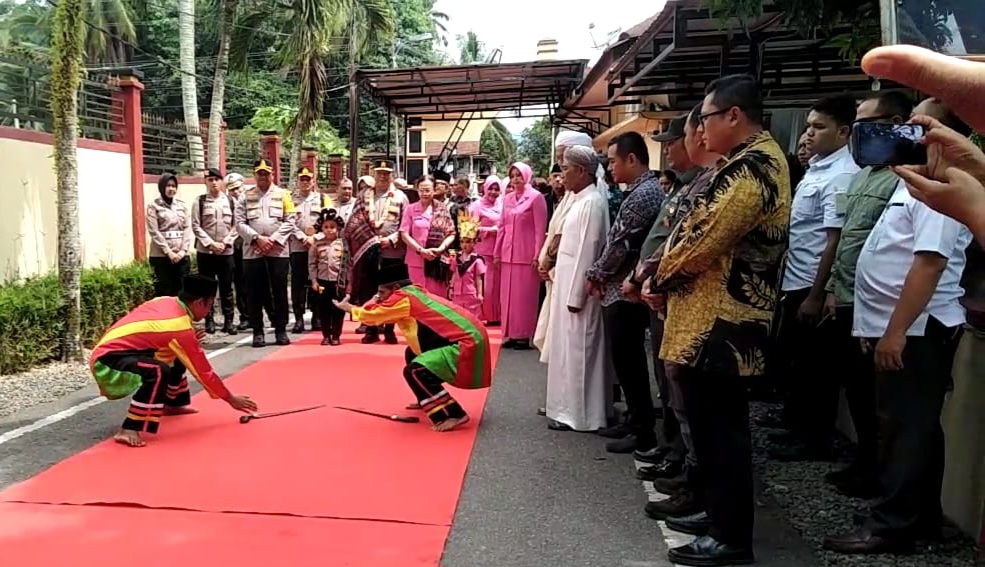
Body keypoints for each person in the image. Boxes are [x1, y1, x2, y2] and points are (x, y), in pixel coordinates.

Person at [652, 74, 790, 566]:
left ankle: (730, 536)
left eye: (707, 118)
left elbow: (701, 239)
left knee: (721, 434)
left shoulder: (752, 168)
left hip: (722, 328)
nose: (702, 130)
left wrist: (657, 275)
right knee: (712, 432)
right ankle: (717, 517)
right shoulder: (744, 163)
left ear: (734, 115)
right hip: (710, 323)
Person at [89, 274, 258, 448]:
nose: (209, 311)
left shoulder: (167, 301)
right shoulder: (180, 327)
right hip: (108, 359)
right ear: (200, 302)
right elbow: (203, 371)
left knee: (178, 355)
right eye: (210, 305)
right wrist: (230, 399)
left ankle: (172, 404)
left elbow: (156, 329)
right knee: (158, 371)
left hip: (126, 350)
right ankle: (129, 427)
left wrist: (188, 338)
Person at [334, 262, 492, 432]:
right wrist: (374, 300)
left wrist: (349, 308)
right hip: (470, 335)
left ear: (395, 288)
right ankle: (427, 397)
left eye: (381, 292)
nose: (379, 296)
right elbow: (378, 313)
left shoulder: (402, 299)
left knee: (414, 370)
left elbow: (373, 316)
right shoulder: (412, 292)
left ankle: (452, 413)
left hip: (467, 342)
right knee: (412, 353)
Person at [544, 146, 611, 432]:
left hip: (578, 293)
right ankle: (568, 410)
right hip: (568, 284)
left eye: (567, 169)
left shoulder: (592, 203)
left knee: (580, 354)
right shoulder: (579, 199)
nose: (562, 175)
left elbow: (587, 252)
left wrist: (576, 296)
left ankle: (581, 416)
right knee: (569, 354)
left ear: (582, 171)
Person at [235, 158, 298, 348]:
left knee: (279, 291)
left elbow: (291, 219)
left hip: (277, 251)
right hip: (253, 251)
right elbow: (239, 223)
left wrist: (273, 239)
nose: (263, 176)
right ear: (255, 175)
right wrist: (257, 238)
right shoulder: (244, 197)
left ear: (272, 174)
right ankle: (258, 331)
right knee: (254, 292)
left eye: (266, 173)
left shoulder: (284, 195)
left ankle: (280, 330)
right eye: (259, 173)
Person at [494, 162, 548, 350]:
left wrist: (537, 254)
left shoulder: (536, 198)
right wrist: (497, 252)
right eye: (513, 175)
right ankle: (509, 332)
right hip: (508, 254)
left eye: (519, 175)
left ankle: (524, 335)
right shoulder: (507, 198)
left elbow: (540, 229)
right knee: (507, 296)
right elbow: (501, 226)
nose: (516, 179)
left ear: (526, 176)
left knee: (524, 297)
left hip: (526, 256)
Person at [192, 167, 238, 335]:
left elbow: (236, 225)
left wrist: (225, 243)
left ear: (222, 182)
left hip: (226, 252)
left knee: (227, 288)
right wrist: (210, 243)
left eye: (216, 179)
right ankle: (209, 320)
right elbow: (196, 226)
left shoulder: (231, 201)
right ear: (206, 182)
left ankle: (229, 321)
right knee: (207, 288)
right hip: (206, 252)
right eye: (210, 180)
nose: (214, 183)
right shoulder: (200, 201)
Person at [289, 166, 331, 333]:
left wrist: (314, 238)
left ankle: (317, 316)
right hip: (297, 247)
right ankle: (298, 318)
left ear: (313, 181)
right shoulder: (290, 199)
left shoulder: (322, 199)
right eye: (302, 179)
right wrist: (301, 237)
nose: (305, 182)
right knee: (298, 284)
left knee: (317, 282)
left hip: (317, 247)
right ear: (298, 181)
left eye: (308, 179)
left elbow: (330, 221)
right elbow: (288, 222)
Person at [399, 175, 456, 296]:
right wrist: (421, 250)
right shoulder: (410, 209)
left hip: (437, 261)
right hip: (416, 260)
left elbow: (451, 233)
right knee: (417, 298)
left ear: (434, 190)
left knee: (436, 301)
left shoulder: (442, 209)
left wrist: (440, 249)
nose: (424, 193)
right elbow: (404, 234)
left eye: (428, 190)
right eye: (421, 190)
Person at [146, 172, 192, 297]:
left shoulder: (182, 205)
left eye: (173, 186)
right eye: (168, 186)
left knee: (182, 291)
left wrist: (183, 251)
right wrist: (169, 252)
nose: (171, 189)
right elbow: (154, 231)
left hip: (181, 255)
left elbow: (187, 228)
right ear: (161, 187)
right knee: (164, 292)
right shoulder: (153, 207)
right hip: (161, 256)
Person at [309, 208, 349, 346]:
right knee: (324, 309)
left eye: (332, 227)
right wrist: (313, 280)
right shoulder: (317, 245)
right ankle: (326, 335)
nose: (329, 230)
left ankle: (336, 335)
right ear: (321, 228)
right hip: (322, 282)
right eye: (326, 227)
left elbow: (349, 265)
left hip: (339, 282)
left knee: (338, 309)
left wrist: (349, 283)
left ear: (338, 228)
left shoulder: (344, 244)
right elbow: (312, 264)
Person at [470, 176, 503, 324]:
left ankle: (497, 316)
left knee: (497, 285)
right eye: (491, 188)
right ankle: (485, 315)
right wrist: (490, 230)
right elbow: (470, 228)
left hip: (499, 250)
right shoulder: (476, 206)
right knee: (485, 285)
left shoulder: (502, 205)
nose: (493, 192)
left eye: (497, 189)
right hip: (483, 252)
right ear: (485, 188)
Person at [449, 216, 486, 320]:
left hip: (470, 293)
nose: (465, 245)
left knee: (472, 317)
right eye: (462, 242)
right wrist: (451, 288)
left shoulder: (477, 260)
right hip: (457, 293)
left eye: (468, 242)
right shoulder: (457, 258)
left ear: (474, 243)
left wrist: (479, 294)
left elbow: (479, 279)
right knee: (458, 316)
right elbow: (454, 274)